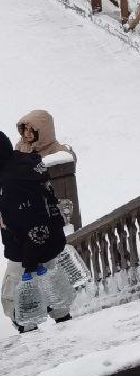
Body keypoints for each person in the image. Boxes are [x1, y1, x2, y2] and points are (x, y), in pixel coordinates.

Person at [0, 129, 77, 333]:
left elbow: (31, 219)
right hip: (48, 242)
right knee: (55, 297)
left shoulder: (11, 182)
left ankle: (36, 347)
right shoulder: (28, 165)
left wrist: (29, 260)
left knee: (16, 304)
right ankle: (68, 337)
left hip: (26, 251)